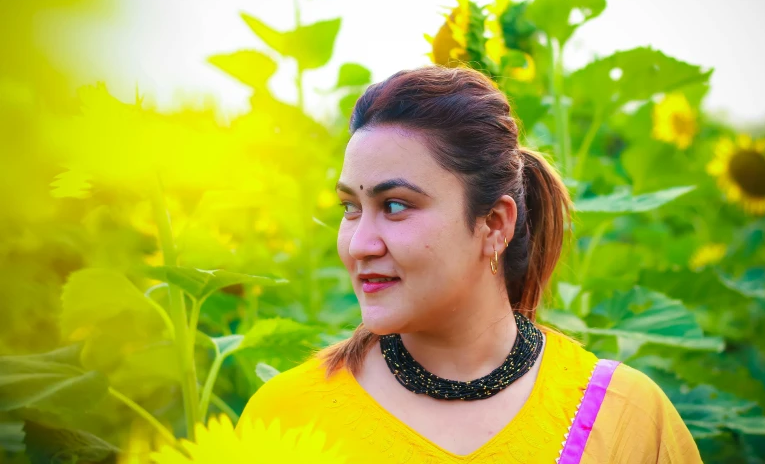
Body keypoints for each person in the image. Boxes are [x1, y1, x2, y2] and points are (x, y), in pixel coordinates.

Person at [237, 66, 702, 463]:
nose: (358, 244)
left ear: (494, 224)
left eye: (396, 205)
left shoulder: (621, 417)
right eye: (350, 207)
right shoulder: (286, 420)